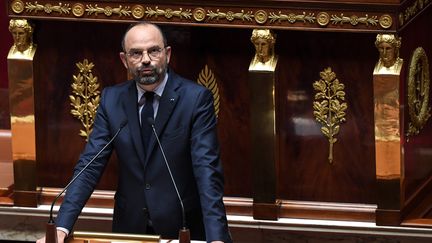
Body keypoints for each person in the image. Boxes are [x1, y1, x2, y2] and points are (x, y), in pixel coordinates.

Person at [37, 22, 232, 243]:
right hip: (129, 229)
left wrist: (217, 238)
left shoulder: (195, 99)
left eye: (154, 51)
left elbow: (207, 171)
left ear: (167, 54)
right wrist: (61, 227)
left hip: (182, 227)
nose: (146, 59)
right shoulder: (112, 100)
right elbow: (89, 166)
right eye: (136, 53)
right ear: (125, 60)